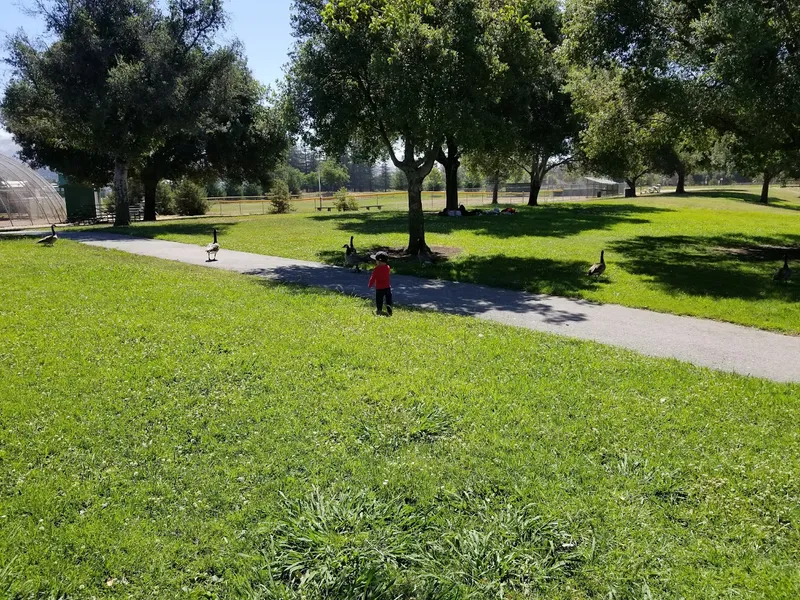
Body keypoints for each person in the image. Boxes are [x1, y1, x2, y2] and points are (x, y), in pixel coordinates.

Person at [368, 251, 393, 316]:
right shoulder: (388, 267)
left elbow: (373, 277)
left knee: (379, 300)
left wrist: (370, 284)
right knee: (388, 300)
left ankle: (379, 310)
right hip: (387, 287)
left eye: (376, 260)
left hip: (379, 288)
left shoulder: (376, 269)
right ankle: (389, 311)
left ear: (378, 262)